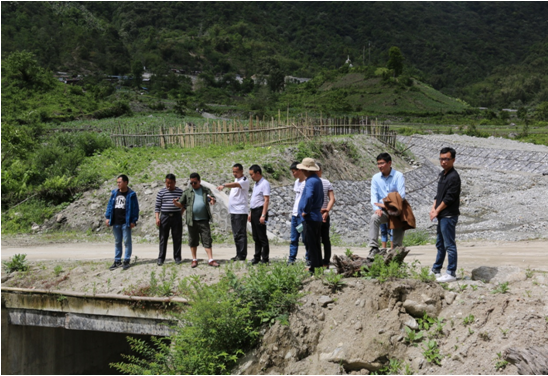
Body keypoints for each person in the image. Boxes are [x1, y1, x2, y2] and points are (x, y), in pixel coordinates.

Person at [173, 173, 220, 268]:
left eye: (195, 182)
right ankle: (194, 259)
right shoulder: (187, 192)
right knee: (193, 240)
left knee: (207, 239)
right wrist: (175, 203)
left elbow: (212, 200)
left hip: (204, 220)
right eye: (191, 183)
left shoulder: (205, 190)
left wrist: (212, 201)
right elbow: (181, 204)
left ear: (199, 181)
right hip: (192, 220)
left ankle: (210, 259)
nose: (193, 184)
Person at [430, 147, 461, 283]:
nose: (443, 162)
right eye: (441, 159)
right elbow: (439, 195)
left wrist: (437, 210)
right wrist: (433, 208)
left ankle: (451, 272)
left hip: (448, 215)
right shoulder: (443, 174)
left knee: (449, 244)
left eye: (446, 159)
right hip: (441, 215)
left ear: (453, 160)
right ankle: (436, 269)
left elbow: (449, 198)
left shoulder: (454, 177)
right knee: (440, 243)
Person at [368, 153, 405, 257]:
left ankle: (397, 251)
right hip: (383, 210)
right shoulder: (375, 178)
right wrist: (377, 208)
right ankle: (374, 247)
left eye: (382, 163)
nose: (380, 166)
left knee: (398, 239)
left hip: (396, 209)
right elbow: (373, 196)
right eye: (378, 163)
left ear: (389, 163)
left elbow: (401, 196)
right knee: (375, 218)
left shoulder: (398, 176)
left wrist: (386, 204)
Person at [105, 174, 139, 271]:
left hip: (126, 222)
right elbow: (110, 206)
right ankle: (117, 260)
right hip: (116, 221)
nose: (118, 184)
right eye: (117, 182)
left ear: (126, 182)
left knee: (127, 242)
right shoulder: (114, 193)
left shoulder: (131, 194)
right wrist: (107, 217)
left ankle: (126, 260)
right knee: (117, 241)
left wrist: (134, 221)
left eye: (120, 182)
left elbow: (135, 209)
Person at [217, 163, 250, 261]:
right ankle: (238, 254)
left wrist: (224, 185)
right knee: (236, 234)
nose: (234, 174)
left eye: (236, 172)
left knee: (241, 233)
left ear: (241, 171)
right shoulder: (237, 179)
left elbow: (236, 185)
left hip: (240, 211)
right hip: (234, 211)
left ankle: (242, 255)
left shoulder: (244, 180)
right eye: (233, 172)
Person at [297, 158, 324, 274]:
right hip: (316, 215)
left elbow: (308, 196)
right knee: (316, 243)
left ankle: (313, 268)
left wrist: (305, 211)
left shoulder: (310, 181)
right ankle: (318, 266)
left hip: (311, 216)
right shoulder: (317, 180)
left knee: (311, 243)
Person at [155, 173, 184, 266]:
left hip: (176, 216)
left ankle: (177, 257)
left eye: (171, 183)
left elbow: (184, 204)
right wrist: (157, 218)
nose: (169, 185)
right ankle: (161, 258)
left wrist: (181, 212)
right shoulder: (161, 192)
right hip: (164, 216)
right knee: (163, 238)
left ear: (175, 182)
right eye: (167, 183)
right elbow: (157, 206)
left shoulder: (180, 192)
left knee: (177, 237)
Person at [248, 165, 271, 265]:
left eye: (252, 174)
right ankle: (256, 257)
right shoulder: (256, 184)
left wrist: (263, 215)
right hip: (254, 211)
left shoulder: (264, 183)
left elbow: (266, 200)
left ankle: (265, 258)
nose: (251, 176)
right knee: (256, 236)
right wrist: (250, 212)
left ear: (258, 173)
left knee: (262, 237)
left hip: (260, 211)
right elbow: (254, 199)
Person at [317, 163, 336, 268]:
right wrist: (327, 211)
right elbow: (332, 199)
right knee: (325, 239)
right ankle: (326, 262)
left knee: (317, 239)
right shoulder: (326, 182)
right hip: (324, 214)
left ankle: (319, 261)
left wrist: (326, 211)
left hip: (316, 214)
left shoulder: (309, 182)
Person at [288, 162, 306, 265]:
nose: (293, 174)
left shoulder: (307, 183)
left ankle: (308, 258)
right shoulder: (297, 182)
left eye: (294, 172)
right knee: (293, 238)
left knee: (305, 238)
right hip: (295, 214)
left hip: (302, 215)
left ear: (300, 170)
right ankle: (291, 259)